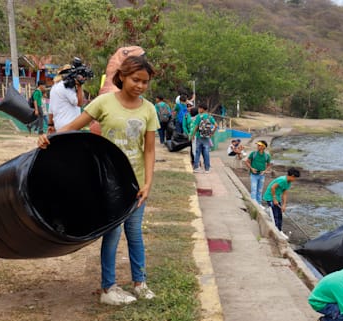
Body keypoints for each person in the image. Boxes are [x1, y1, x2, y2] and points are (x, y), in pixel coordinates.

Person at [38, 55, 159, 306]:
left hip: (136, 184)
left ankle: (140, 283)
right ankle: (108, 288)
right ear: (122, 76)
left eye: (145, 82)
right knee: (112, 234)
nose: (140, 85)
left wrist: (148, 183)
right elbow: (74, 126)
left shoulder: (149, 109)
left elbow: (149, 149)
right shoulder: (104, 102)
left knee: (135, 234)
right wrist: (50, 138)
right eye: (135, 79)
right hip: (109, 184)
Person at [47, 64, 85, 133]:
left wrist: (50, 125)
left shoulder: (54, 87)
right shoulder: (66, 87)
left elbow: (50, 110)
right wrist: (80, 86)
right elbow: (79, 103)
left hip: (59, 125)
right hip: (70, 126)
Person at [262, 167, 301, 232]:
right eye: (295, 178)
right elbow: (272, 188)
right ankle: (275, 231)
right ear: (292, 176)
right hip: (270, 197)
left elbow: (284, 194)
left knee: (280, 215)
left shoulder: (288, 182)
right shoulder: (282, 180)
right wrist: (274, 199)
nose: (295, 180)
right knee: (275, 215)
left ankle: (279, 230)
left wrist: (284, 205)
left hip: (277, 198)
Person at [189, 102, 217, 173]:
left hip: (199, 136)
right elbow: (216, 125)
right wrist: (212, 133)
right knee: (206, 152)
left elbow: (196, 127)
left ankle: (196, 167)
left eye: (199, 108)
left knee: (197, 152)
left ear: (202, 109)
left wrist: (192, 135)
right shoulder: (209, 117)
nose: (198, 110)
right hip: (207, 137)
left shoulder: (199, 116)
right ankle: (207, 169)